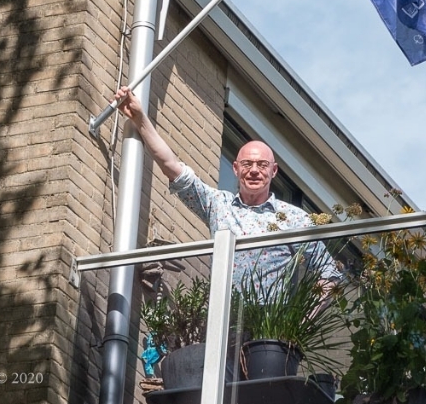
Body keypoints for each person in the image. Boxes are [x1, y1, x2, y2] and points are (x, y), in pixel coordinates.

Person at [113, 86, 340, 291]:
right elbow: (172, 168)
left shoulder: (293, 219)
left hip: (268, 330)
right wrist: (140, 118)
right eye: (246, 164)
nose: (253, 171)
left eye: (262, 165)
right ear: (235, 168)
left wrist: (299, 327)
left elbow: (329, 274)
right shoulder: (219, 205)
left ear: (274, 171)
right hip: (222, 324)